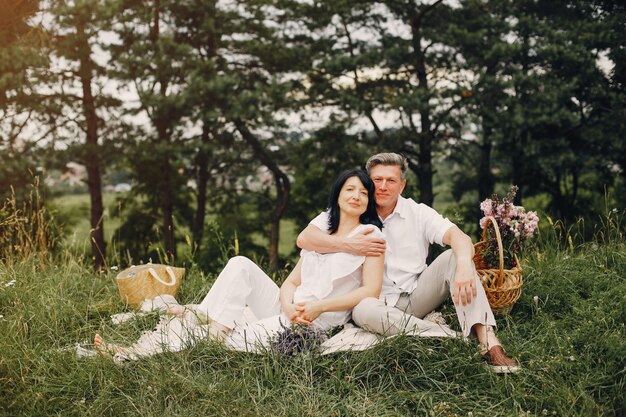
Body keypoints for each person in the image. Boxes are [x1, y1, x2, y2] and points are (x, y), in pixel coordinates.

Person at [95, 170, 385, 358]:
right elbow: (294, 280)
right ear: (338, 194)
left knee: (233, 339)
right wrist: (285, 302)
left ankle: (133, 353)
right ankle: (213, 324)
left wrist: (319, 307)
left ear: (369, 200)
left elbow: (370, 290)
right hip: (288, 307)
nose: (356, 196)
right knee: (240, 263)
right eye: (350, 189)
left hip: (315, 320)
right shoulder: (322, 227)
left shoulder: (371, 236)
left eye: (363, 192)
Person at [297, 153, 519, 373]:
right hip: (374, 303)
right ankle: (448, 337)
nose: (383, 186)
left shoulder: (418, 212)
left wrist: (462, 265)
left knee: (454, 255)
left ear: (401, 186)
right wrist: (350, 245)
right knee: (362, 309)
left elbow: (459, 238)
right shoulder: (354, 208)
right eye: (377, 180)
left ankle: (488, 339)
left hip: (417, 295)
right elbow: (305, 239)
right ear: (368, 182)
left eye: (391, 181)